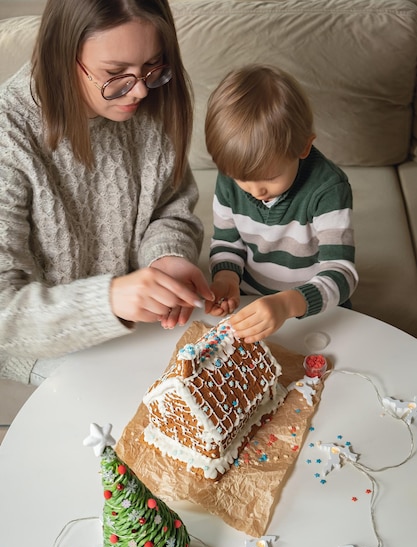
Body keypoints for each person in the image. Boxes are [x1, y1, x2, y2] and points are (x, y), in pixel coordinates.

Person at [0, 0, 214, 385]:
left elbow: (170, 208)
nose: (141, 91)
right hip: (37, 343)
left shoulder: (151, 102)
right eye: (116, 74)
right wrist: (109, 300)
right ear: (61, 57)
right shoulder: (9, 136)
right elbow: (5, 314)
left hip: (134, 320)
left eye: (153, 66)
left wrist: (167, 257)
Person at [204, 64, 358, 342]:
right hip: (252, 305)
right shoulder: (231, 177)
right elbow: (227, 242)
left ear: (303, 147)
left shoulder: (328, 188)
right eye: (242, 179)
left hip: (315, 311)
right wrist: (227, 277)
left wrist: (287, 304)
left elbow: (342, 274)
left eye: (270, 177)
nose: (254, 190)